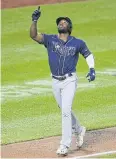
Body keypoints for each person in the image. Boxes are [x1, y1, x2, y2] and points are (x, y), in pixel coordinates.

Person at [30, 6, 95, 156]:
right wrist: (34, 21)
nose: (61, 23)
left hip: (69, 81)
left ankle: (65, 145)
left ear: (69, 27)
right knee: (64, 109)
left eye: (65, 22)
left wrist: (92, 69)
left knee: (65, 111)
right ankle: (79, 129)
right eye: (60, 22)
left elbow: (88, 55)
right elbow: (33, 35)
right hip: (55, 81)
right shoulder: (50, 39)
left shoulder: (77, 42)